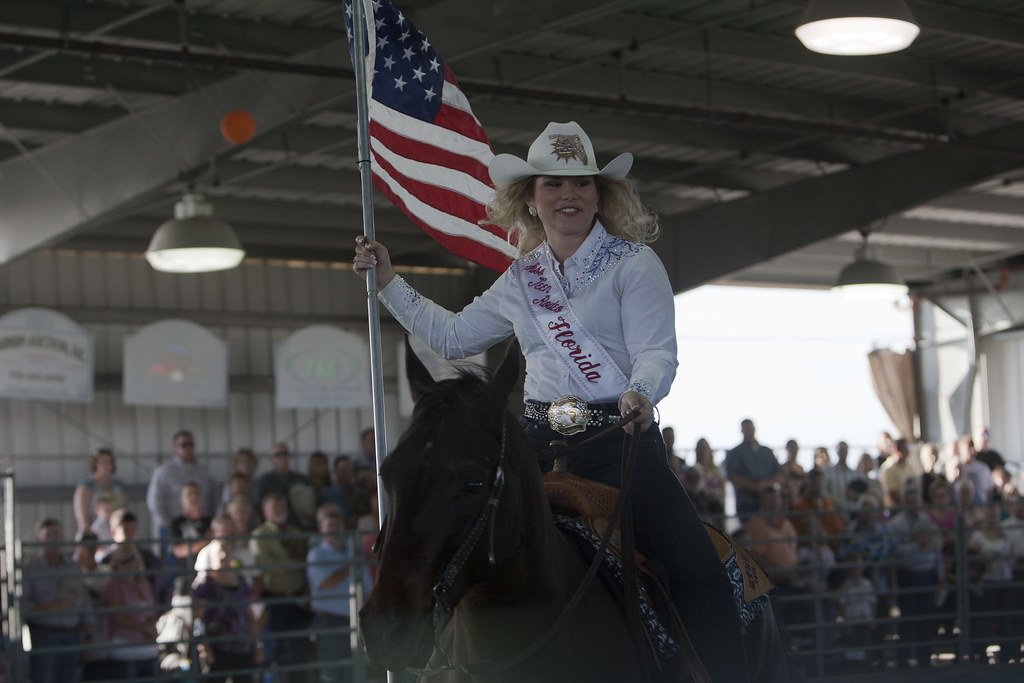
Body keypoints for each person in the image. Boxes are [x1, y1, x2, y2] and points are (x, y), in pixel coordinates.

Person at [353, 120, 751, 682]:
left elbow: (657, 351)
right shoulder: (522, 278)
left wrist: (643, 391)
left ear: (599, 195)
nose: (569, 195)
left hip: (618, 443)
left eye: (582, 184)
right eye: (553, 185)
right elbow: (453, 337)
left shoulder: (634, 264)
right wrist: (389, 281)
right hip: (532, 446)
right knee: (453, 536)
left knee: (698, 568)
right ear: (531, 200)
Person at [22, 519, 95, 683]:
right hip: (44, 635)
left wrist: (89, 638)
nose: (54, 538)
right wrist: (51, 606)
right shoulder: (30, 569)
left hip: (72, 634)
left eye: (58, 534)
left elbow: (85, 605)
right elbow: (22, 607)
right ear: (38, 539)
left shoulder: (73, 568)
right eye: (49, 534)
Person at [192, 533, 257, 683]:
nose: (223, 555)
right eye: (219, 552)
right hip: (216, 647)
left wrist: (256, 645)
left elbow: (250, 614)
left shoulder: (241, 581)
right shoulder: (205, 583)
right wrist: (203, 645)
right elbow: (197, 617)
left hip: (242, 646)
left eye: (227, 551)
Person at [306, 504, 356, 683]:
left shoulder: (352, 551)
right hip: (330, 623)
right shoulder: (316, 554)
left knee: (353, 672)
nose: (335, 529)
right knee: (331, 674)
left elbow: (365, 581)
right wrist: (353, 567)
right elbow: (325, 583)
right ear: (321, 529)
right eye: (330, 526)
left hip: (354, 621)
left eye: (338, 525)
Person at [102, 544, 159, 680]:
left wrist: (152, 628)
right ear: (116, 564)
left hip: (147, 648)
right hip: (125, 649)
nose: (130, 564)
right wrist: (145, 628)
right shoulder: (113, 586)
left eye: (133, 559)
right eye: (124, 560)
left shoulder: (143, 584)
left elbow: (150, 612)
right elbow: (118, 617)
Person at [146, 430, 219, 537]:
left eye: (191, 444)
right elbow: (155, 500)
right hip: (174, 528)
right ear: (175, 448)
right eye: (183, 445)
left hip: (203, 527)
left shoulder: (204, 472)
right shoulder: (164, 471)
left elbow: (214, 497)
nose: (188, 448)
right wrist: (168, 524)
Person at [724, 418, 782, 522]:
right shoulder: (735, 453)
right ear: (742, 431)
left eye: (751, 428)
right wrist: (755, 487)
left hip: (770, 504)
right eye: (746, 429)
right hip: (747, 503)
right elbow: (732, 476)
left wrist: (767, 485)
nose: (749, 431)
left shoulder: (767, 451)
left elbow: (779, 473)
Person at [255, 443, 317, 531]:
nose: (283, 457)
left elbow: (315, 502)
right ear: (271, 459)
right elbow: (258, 507)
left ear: (290, 456)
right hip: (275, 530)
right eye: (278, 455)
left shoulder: (303, 480)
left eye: (285, 453)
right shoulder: (263, 482)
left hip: (303, 528)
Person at [73, 447, 127, 536]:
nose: (107, 465)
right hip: (94, 531)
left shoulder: (118, 486)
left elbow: (124, 508)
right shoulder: (87, 486)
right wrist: (86, 529)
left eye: (110, 462)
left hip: (116, 531)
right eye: (103, 462)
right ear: (96, 464)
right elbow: (81, 513)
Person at [823, 441, 865, 512]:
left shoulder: (855, 474)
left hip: (853, 511)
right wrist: (835, 501)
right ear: (837, 452)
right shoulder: (828, 472)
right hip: (835, 511)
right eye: (841, 450)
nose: (843, 453)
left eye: (844, 450)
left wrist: (856, 495)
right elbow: (824, 491)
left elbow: (863, 491)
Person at [694, 437, 726, 505]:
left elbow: (723, 490)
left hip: (718, 506)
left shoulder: (718, 470)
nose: (703, 452)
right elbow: (699, 490)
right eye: (700, 449)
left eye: (705, 448)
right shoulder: (694, 470)